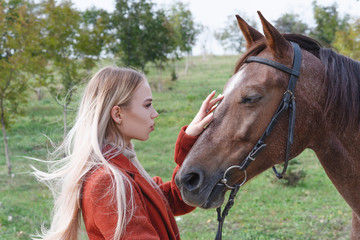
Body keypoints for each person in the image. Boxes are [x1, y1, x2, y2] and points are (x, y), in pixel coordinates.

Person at [33, 66, 223, 240]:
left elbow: (172, 198)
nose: (155, 113)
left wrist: (190, 138)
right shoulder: (106, 181)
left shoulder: (122, 167)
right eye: (147, 105)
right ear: (117, 115)